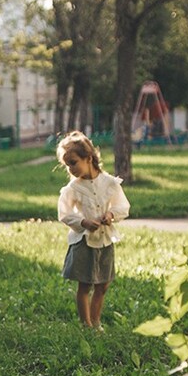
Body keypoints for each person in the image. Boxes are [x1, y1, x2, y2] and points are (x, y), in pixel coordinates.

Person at [56, 130, 130, 328]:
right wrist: (83, 222)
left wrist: (110, 215)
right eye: (67, 165)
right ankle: (86, 324)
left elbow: (123, 206)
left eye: (73, 162)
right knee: (85, 284)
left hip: (105, 240)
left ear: (88, 158)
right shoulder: (74, 188)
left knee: (103, 285)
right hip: (84, 242)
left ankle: (96, 321)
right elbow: (63, 213)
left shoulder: (110, 183)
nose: (70, 169)